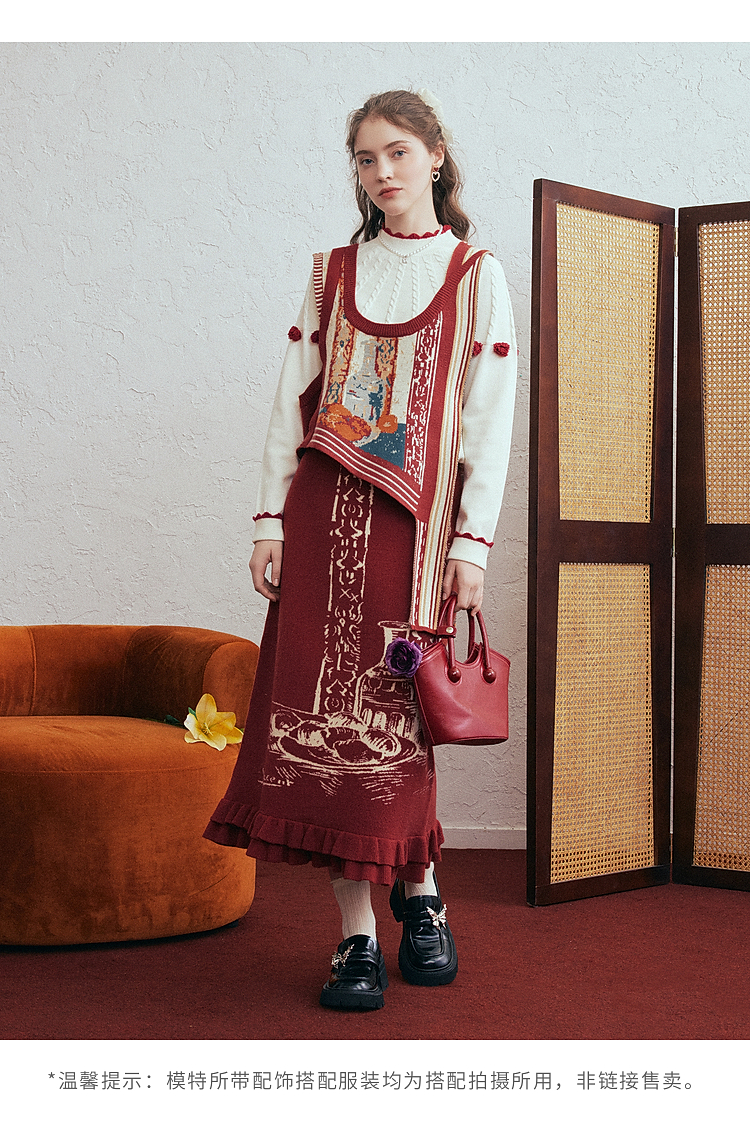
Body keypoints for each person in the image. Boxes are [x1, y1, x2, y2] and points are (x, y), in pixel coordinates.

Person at [204, 88, 516, 1011]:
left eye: (398, 153)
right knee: (317, 726)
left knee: (391, 721)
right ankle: (356, 936)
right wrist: (268, 520)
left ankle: (420, 893)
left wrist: (473, 544)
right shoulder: (330, 274)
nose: (382, 173)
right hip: (319, 517)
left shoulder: (477, 274)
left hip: (414, 535)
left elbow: (488, 423)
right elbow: (290, 400)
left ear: (436, 155)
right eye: (365, 159)